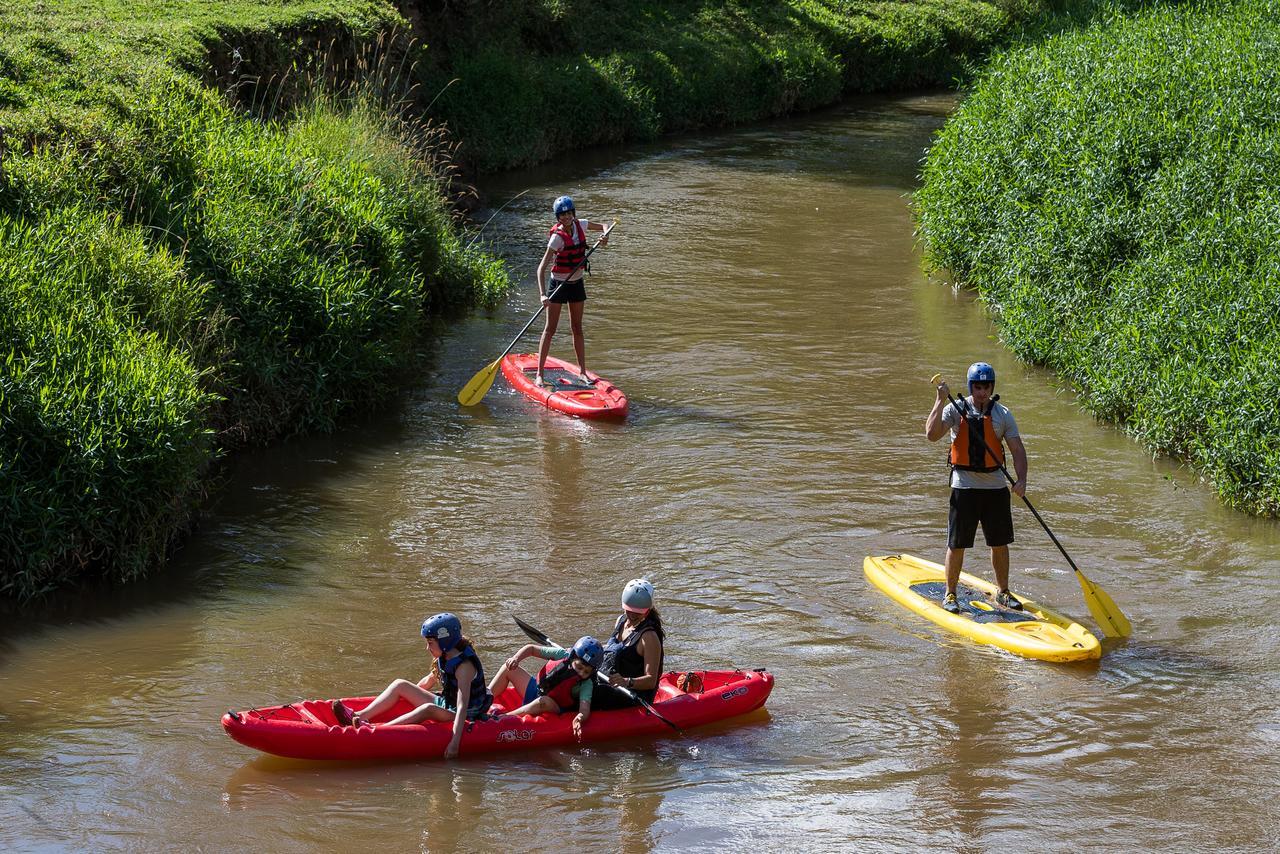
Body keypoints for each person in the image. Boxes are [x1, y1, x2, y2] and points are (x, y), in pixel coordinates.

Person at [925, 362, 1028, 614]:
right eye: (978, 387)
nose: (982, 392)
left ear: (992, 387)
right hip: (964, 488)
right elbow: (931, 434)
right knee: (956, 544)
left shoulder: (1003, 414)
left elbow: (1017, 449)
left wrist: (1021, 479)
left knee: (1000, 543)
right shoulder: (954, 409)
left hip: (995, 488)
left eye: (987, 387)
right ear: (971, 386)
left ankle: (1003, 592)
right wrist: (939, 400)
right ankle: (950, 594)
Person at [332, 613, 492, 760]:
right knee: (400, 684)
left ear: (445, 642)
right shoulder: (445, 655)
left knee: (427, 709)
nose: (427, 648)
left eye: (430, 643)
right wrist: (408, 695)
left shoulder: (464, 666)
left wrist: (455, 743)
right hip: (448, 704)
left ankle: (375, 730)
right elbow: (429, 680)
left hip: (467, 714)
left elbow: (462, 705)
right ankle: (359, 716)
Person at [534, 195, 610, 387]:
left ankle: (583, 373)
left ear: (573, 213)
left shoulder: (581, 225)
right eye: (562, 215)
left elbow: (604, 225)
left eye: (569, 213)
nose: (566, 217)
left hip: (576, 283)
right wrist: (543, 294)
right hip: (558, 285)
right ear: (558, 217)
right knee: (550, 329)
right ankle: (539, 375)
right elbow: (541, 268)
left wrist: (605, 236)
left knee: (577, 328)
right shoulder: (556, 239)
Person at [488, 636, 604, 738]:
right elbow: (531, 649)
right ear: (573, 657)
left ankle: (501, 719)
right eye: (579, 667)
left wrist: (580, 717)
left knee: (544, 701)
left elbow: (584, 709)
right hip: (537, 690)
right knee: (508, 669)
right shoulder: (562, 654)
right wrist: (516, 659)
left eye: (586, 671)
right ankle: (483, 698)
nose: (581, 673)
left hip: (554, 705)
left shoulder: (586, 683)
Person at [592, 579, 666, 710]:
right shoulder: (621, 621)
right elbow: (613, 650)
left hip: (632, 695)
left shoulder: (649, 637)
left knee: (592, 693)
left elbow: (650, 681)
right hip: (611, 685)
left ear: (647, 611)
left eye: (638, 612)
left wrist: (626, 681)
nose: (632, 615)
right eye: (629, 610)